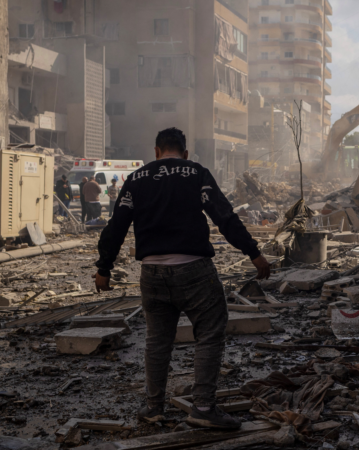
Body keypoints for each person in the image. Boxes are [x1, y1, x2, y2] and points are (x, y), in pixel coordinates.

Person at [93, 128, 270, 429]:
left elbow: (116, 226)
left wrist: (104, 268)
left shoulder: (136, 179)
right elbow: (224, 216)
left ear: (156, 151)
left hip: (151, 273)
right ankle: (203, 408)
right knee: (210, 332)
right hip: (194, 270)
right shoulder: (196, 172)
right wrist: (253, 253)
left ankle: (153, 408)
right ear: (185, 153)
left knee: (157, 341)